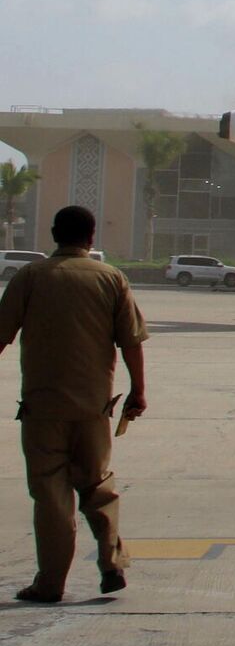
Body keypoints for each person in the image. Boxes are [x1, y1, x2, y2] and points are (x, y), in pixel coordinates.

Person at [0, 206, 146, 603]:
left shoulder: (30, 277)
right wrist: (138, 391)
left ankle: (50, 583)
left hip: (43, 408)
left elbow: (2, 334)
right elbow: (130, 340)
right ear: (91, 236)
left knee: (51, 494)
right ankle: (111, 563)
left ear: (53, 234)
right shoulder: (111, 278)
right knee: (98, 486)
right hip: (94, 407)